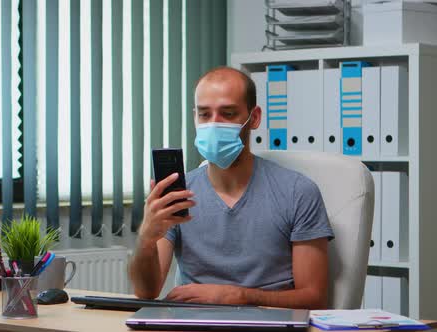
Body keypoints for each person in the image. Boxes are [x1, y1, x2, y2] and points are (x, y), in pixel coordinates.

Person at [128, 66, 334, 310]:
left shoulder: (298, 192)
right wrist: (146, 238)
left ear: (254, 117)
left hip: (269, 324)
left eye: (227, 113)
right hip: (194, 324)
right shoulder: (177, 194)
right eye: (204, 115)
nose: (214, 125)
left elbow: (314, 298)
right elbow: (146, 292)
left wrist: (239, 296)